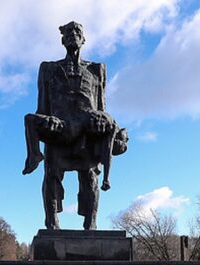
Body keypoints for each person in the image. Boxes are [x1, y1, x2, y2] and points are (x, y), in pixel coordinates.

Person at [23, 21, 127, 230]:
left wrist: (103, 120)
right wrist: (47, 120)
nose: (73, 34)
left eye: (77, 31)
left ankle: (91, 223)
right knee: (51, 173)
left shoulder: (96, 69)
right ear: (62, 40)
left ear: (83, 39)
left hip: (87, 132)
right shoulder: (48, 68)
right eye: (68, 32)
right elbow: (42, 106)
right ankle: (52, 221)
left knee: (90, 176)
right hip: (59, 128)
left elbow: (101, 106)